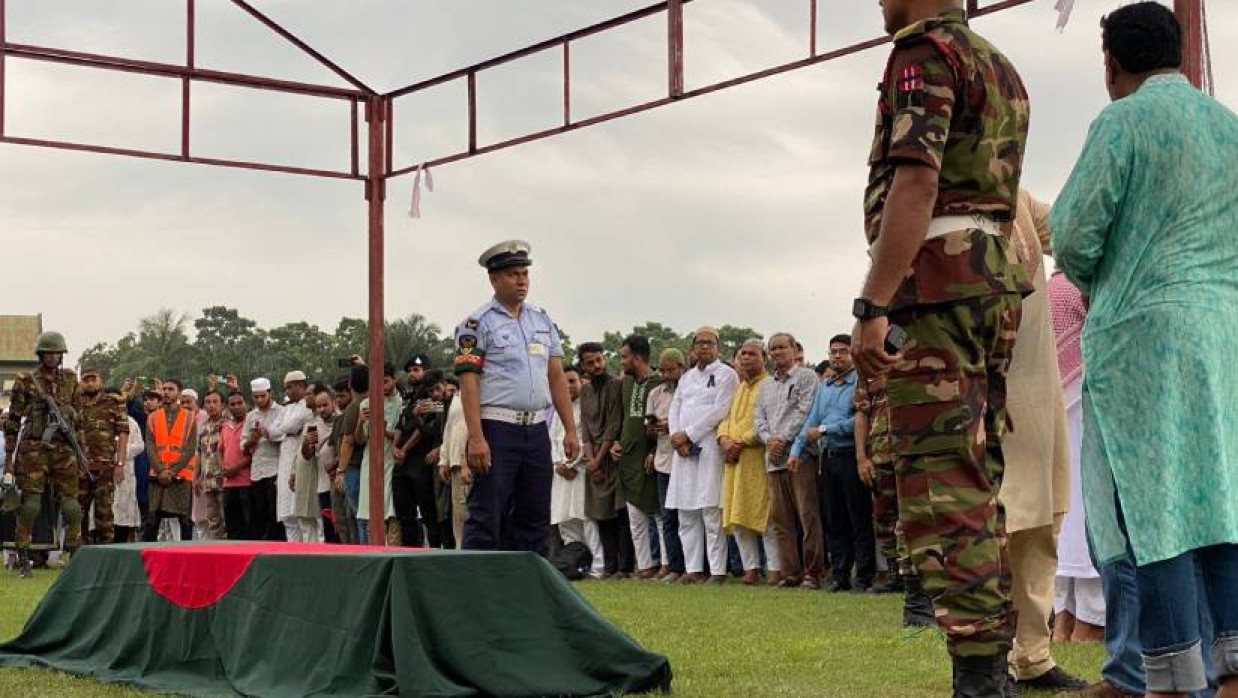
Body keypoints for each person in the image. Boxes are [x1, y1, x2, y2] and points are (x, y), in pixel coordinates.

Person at [1052, 5, 1238, 696]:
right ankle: (1229, 675)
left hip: (1143, 341)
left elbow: (1071, 235)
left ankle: (1164, 679)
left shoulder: (1121, 122)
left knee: (1148, 511)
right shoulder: (1229, 129)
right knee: (1221, 500)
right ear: (1180, 53)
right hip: (1222, 337)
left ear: (1111, 63)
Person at [851, 0, 1031, 691]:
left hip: (937, 285)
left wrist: (874, 300)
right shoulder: (1001, 65)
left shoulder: (922, 53)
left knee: (938, 489)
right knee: (977, 482)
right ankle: (993, 665)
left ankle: (982, 679)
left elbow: (917, 177)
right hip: (988, 281)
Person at [995, 191, 1086, 692]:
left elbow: (1075, 233)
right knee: (980, 524)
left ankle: (1031, 655)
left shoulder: (1021, 197)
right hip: (965, 385)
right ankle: (981, 656)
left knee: (1039, 519)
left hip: (1032, 384)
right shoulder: (932, 181)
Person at [453, 240, 578, 556]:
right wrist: (476, 438)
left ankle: (527, 596)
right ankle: (474, 593)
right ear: (494, 279)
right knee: (487, 515)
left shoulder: (541, 319)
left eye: (525, 274)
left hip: (536, 429)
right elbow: (469, 383)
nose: (522, 281)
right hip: (497, 427)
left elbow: (556, 376)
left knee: (535, 518)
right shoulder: (476, 324)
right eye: (513, 274)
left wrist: (571, 429)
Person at [791, 335, 873, 593]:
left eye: (843, 351)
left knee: (858, 518)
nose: (837, 356)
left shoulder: (861, 382)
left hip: (852, 454)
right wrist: (796, 450)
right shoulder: (824, 385)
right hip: (828, 459)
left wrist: (825, 429)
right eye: (833, 352)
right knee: (834, 519)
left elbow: (860, 421)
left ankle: (864, 576)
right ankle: (839, 575)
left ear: (852, 354)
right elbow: (810, 421)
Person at [3, 331, 83, 577]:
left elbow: (79, 419)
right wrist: (9, 459)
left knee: (71, 506)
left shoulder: (70, 379)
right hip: (34, 449)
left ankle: (74, 554)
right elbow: (14, 421)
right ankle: (24, 557)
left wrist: (81, 453)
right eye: (49, 352)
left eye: (57, 352)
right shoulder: (25, 381)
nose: (53, 356)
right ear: (41, 354)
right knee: (30, 506)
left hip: (64, 449)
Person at [666, 326, 739, 584]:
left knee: (710, 510)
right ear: (693, 347)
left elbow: (720, 411)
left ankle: (717, 571)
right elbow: (675, 408)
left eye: (709, 343)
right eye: (700, 343)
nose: (704, 347)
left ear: (718, 347)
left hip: (709, 446)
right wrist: (676, 437)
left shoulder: (727, 375)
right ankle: (693, 569)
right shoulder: (686, 378)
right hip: (683, 451)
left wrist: (689, 434)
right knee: (686, 512)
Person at [755, 332, 823, 589]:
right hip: (773, 458)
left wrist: (781, 439)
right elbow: (758, 419)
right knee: (781, 520)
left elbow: (805, 411)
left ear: (794, 350)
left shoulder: (806, 377)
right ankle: (790, 573)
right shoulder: (766, 386)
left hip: (800, 455)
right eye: (773, 349)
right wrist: (768, 440)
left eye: (782, 347)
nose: (777, 352)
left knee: (808, 516)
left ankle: (813, 573)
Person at [718, 340, 777, 586]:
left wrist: (740, 442)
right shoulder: (740, 387)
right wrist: (723, 439)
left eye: (753, 354)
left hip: (757, 458)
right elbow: (726, 418)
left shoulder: (770, 385)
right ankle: (750, 568)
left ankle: (776, 569)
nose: (746, 358)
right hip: (735, 460)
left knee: (766, 515)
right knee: (739, 516)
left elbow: (768, 421)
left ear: (765, 358)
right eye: (743, 354)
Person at [611, 336, 665, 579]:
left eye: (624, 357)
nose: (622, 362)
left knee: (658, 514)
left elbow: (662, 422)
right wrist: (614, 444)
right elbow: (623, 420)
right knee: (635, 517)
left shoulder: (659, 383)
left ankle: (666, 563)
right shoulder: (626, 383)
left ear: (638, 357)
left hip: (652, 456)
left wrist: (655, 452)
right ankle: (645, 566)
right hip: (628, 458)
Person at [578, 342, 631, 577]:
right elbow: (586, 430)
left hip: (611, 457)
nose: (597, 365)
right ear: (583, 366)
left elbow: (613, 424)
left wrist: (597, 460)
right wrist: (590, 462)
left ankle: (624, 566)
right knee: (601, 515)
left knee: (619, 514)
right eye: (590, 362)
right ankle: (609, 567)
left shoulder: (616, 385)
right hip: (594, 460)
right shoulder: (585, 391)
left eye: (599, 360)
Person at [551, 364, 604, 577]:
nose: (568, 386)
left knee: (587, 520)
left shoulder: (587, 407)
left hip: (580, 471)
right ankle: (573, 566)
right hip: (561, 473)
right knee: (565, 522)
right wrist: (558, 464)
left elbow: (587, 439)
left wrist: (570, 464)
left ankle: (597, 568)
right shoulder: (558, 410)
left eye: (572, 381)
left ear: (581, 381)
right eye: (563, 382)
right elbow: (552, 440)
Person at [75, 366, 129, 545]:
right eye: (86, 380)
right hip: (79, 468)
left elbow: (123, 432)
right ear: (80, 382)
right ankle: (79, 552)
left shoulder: (113, 402)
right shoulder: (74, 403)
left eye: (93, 379)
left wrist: (120, 464)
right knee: (77, 512)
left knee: (104, 513)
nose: (90, 383)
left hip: (105, 467)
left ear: (101, 381)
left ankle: (105, 550)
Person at [393, 371, 447, 547]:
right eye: (409, 370)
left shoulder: (434, 400)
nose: (412, 374)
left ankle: (434, 550)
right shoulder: (408, 397)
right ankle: (410, 553)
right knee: (404, 513)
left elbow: (424, 430)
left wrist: (404, 449)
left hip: (420, 460)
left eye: (416, 370)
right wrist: (395, 448)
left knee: (428, 513)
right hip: (402, 462)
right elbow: (400, 424)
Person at [647, 348, 687, 583]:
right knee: (668, 517)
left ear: (681, 368)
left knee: (690, 517)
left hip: (687, 460)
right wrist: (654, 428)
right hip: (664, 461)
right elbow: (649, 431)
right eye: (662, 370)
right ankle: (674, 567)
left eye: (670, 370)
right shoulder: (656, 394)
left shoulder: (690, 390)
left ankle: (697, 567)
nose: (665, 374)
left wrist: (673, 427)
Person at [142, 379, 196, 543]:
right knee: (152, 520)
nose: (166, 392)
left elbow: (190, 448)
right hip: (158, 477)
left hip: (180, 477)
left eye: (170, 389)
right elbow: (150, 446)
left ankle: (188, 558)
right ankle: (147, 558)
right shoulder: (152, 417)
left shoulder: (190, 418)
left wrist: (172, 471)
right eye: (164, 389)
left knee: (185, 521)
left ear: (179, 393)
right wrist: (160, 471)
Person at [356, 363, 402, 546]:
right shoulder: (367, 403)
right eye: (378, 383)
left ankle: (392, 551)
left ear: (394, 379)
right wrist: (360, 422)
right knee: (371, 513)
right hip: (371, 463)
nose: (382, 387)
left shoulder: (402, 402)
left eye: (386, 382)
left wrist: (384, 430)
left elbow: (401, 433)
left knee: (392, 512)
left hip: (393, 461)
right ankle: (373, 552)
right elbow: (359, 440)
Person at [295, 385, 337, 544]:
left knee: (341, 525)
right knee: (327, 528)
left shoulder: (341, 420)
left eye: (325, 405)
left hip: (339, 481)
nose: (322, 409)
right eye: (319, 406)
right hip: (323, 484)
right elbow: (306, 456)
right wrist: (307, 444)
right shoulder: (313, 426)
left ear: (333, 403)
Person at [244, 377, 284, 541]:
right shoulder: (251, 415)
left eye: (263, 396)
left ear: (270, 393)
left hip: (275, 467)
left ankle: (277, 545)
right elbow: (243, 443)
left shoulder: (281, 411)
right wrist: (251, 440)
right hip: (257, 470)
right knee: (260, 512)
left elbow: (286, 436)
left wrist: (269, 435)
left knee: (275, 511)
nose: (260, 400)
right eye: (256, 397)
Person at [273, 370, 311, 541]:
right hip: (285, 457)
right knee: (287, 515)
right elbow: (272, 430)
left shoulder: (306, 405)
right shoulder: (287, 407)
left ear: (302, 386)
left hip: (299, 456)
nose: (287, 391)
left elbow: (290, 426)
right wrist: (283, 429)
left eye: (290, 387)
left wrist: (283, 429)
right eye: (286, 388)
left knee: (300, 512)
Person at [335, 366, 368, 545]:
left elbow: (348, 442)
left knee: (358, 516)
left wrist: (341, 470)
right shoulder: (375, 402)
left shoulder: (354, 407)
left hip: (354, 467)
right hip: (367, 465)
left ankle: (363, 552)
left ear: (350, 385)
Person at [437, 378, 469, 550]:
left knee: (469, 514)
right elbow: (448, 429)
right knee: (458, 517)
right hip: (455, 463)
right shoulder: (457, 399)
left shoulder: (483, 396)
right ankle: (460, 552)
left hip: (472, 463)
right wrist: (444, 460)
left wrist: (466, 460)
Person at [192, 390, 227, 540]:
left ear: (222, 404)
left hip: (224, 479)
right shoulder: (203, 427)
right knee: (212, 519)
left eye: (215, 402)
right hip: (207, 479)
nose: (211, 406)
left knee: (226, 517)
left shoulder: (227, 424)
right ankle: (216, 550)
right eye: (208, 402)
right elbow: (199, 453)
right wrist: (196, 478)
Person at [326, 377, 358, 545]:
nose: (339, 400)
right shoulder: (339, 419)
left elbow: (350, 443)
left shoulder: (356, 413)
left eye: (342, 396)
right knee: (340, 520)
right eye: (336, 397)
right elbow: (333, 446)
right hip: (337, 475)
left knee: (353, 517)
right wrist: (331, 465)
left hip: (350, 471)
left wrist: (339, 466)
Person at [220, 391, 255, 541]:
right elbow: (219, 450)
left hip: (246, 482)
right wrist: (223, 468)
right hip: (228, 484)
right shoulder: (225, 427)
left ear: (246, 404)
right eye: (232, 404)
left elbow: (253, 453)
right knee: (231, 525)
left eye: (240, 403)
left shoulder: (252, 425)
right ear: (227, 407)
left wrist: (235, 468)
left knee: (248, 524)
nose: (236, 407)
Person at [112, 408, 144, 542]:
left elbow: (139, 445)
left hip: (125, 470)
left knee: (123, 510)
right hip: (102, 469)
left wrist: (120, 455)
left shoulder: (130, 422)